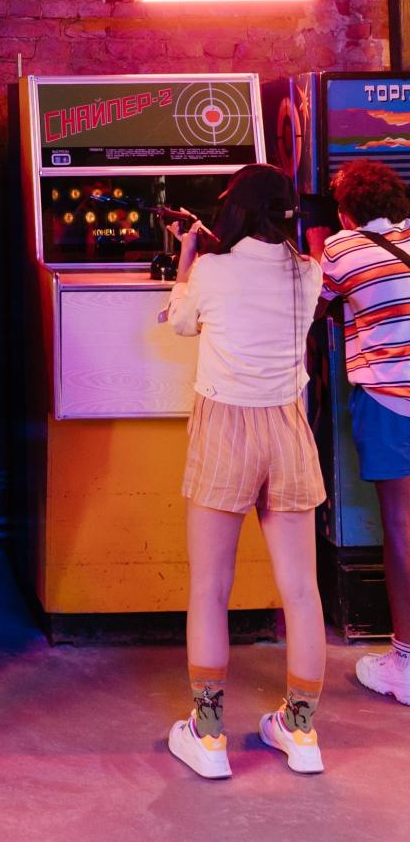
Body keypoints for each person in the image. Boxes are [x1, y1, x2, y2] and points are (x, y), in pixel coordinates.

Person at [165, 163, 327, 778]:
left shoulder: (210, 269)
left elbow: (182, 320)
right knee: (302, 590)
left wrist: (188, 256)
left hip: (226, 427)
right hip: (286, 429)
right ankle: (302, 730)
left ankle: (209, 738)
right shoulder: (307, 274)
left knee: (209, 587)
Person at [308, 160, 410, 704]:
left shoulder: (343, 250)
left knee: (401, 525)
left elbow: (311, 305)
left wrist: (318, 241)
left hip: (392, 398)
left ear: (346, 209)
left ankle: (406, 663)